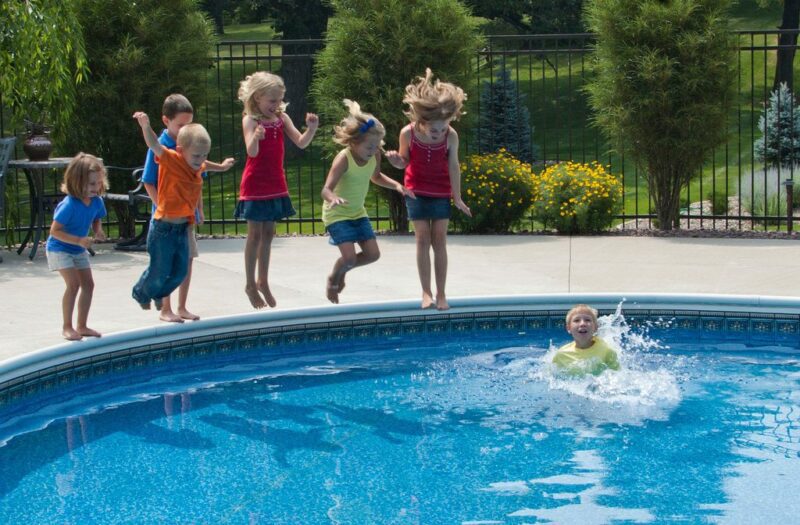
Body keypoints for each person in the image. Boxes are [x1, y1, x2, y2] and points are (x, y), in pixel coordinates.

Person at [141, 94, 234, 323]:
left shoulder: (192, 146)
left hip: (186, 217)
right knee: (166, 262)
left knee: (186, 259)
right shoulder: (164, 148)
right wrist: (160, 206)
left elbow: (198, 173)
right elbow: (148, 180)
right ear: (166, 121)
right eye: (181, 125)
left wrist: (199, 206)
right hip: (166, 218)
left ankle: (182, 306)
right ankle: (165, 308)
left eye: (189, 124)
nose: (185, 128)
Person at [385, 68, 471, 311]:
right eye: (435, 129)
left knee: (439, 239)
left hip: (441, 190)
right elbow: (404, 161)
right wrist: (395, 161)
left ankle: (442, 294)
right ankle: (426, 292)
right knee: (422, 238)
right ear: (421, 121)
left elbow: (454, 166)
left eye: (443, 128)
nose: (439, 133)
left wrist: (457, 196)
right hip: (416, 189)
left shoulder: (451, 136)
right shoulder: (407, 133)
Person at [236, 71, 319, 309]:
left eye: (279, 100)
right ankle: (250, 283)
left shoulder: (282, 118)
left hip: (275, 182)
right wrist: (257, 138)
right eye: (272, 100)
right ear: (257, 97)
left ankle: (263, 280)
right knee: (255, 234)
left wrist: (311, 129)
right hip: (255, 183)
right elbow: (251, 153)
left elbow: (301, 142)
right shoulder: (251, 121)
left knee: (269, 233)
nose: (276, 105)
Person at [321, 99, 415, 304]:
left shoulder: (374, 157)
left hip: (357, 213)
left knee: (373, 255)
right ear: (354, 142)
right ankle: (334, 278)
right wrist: (334, 198)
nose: (373, 150)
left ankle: (344, 270)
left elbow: (376, 177)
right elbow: (325, 189)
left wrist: (398, 186)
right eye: (369, 146)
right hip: (337, 214)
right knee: (349, 258)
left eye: (376, 146)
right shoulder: (343, 158)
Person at [131, 111, 212, 311]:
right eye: (196, 155)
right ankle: (141, 293)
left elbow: (206, 166)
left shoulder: (196, 166)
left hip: (182, 228)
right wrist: (145, 126)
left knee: (180, 271)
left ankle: (159, 294)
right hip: (163, 228)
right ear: (180, 150)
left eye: (204, 155)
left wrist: (223, 166)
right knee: (160, 269)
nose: (200, 159)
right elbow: (154, 145)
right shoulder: (171, 158)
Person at [45, 153, 108, 341]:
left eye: (98, 183)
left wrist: (98, 231)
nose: (96, 188)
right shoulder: (69, 206)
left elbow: (96, 218)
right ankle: (67, 326)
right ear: (76, 182)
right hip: (59, 248)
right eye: (91, 184)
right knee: (73, 285)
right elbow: (54, 231)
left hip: (77, 249)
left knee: (88, 284)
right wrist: (79, 241)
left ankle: (82, 326)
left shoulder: (97, 201)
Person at [552, 304, 620, 376]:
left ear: (595, 327)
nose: (582, 324)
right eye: (577, 320)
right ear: (568, 328)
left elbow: (617, 377)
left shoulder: (607, 351)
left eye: (587, 320)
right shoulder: (562, 355)